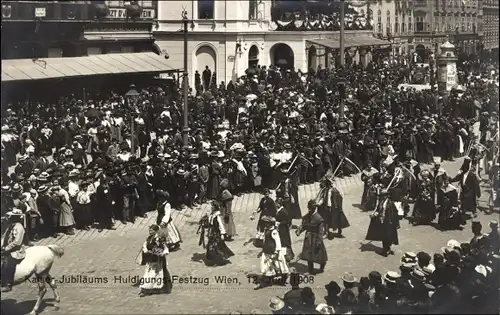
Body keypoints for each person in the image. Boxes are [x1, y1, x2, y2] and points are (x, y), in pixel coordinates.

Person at [254, 216, 290, 290]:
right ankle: (263, 282)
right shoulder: (266, 230)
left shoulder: (274, 231)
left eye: (266, 223)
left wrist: (277, 252)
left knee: (279, 265)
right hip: (267, 251)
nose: (265, 224)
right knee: (264, 267)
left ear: (269, 223)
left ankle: (283, 279)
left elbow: (278, 242)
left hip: (273, 251)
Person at [138, 224, 172, 297]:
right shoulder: (149, 238)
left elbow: (165, 248)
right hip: (150, 259)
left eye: (151, 230)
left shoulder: (159, 239)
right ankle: (148, 289)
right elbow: (145, 245)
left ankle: (145, 290)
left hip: (157, 260)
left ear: (155, 231)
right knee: (149, 274)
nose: (150, 231)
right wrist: (146, 250)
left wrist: (162, 253)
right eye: (149, 230)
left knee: (153, 274)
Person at [365, 188, 400, 257]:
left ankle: (386, 250)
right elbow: (379, 210)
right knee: (384, 236)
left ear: (387, 196)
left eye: (383, 195)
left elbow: (395, 213)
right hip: (382, 221)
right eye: (382, 195)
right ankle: (386, 249)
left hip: (389, 222)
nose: (382, 197)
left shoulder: (390, 203)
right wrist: (376, 214)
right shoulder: (381, 202)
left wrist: (395, 222)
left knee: (388, 236)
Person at [296, 200, 328, 274]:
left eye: (311, 209)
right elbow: (304, 226)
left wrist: (319, 242)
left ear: (314, 209)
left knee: (320, 255)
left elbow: (320, 232)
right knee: (309, 256)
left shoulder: (319, 218)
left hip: (316, 238)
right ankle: (311, 270)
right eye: (309, 208)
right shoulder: (307, 216)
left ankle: (322, 267)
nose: (310, 210)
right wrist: (299, 231)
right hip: (308, 238)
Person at [1, 209, 26, 292]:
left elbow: (17, 242)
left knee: (8, 263)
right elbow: (4, 237)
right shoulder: (11, 225)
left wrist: (6, 248)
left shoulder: (19, 227)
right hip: (6, 248)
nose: (9, 218)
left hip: (16, 251)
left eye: (10, 216)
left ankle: (8, 283)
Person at [205, 202, 234, 266]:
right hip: (212, 233)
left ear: (214, 207)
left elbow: (221, 225)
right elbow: (210, 223)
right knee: (211, 246)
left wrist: (222, 234)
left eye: (211, 206)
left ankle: (217, 261)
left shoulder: (217, 216)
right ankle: (214, 260)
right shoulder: (211, 214)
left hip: (216, 233)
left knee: (216, 247)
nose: (210, 207)